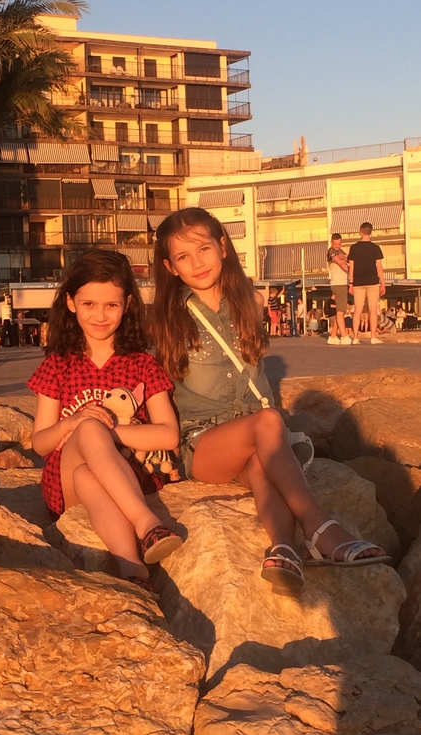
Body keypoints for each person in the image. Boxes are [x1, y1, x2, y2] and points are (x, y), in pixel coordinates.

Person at [151, 207, 389, 596]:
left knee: (262, 466)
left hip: (258, 438)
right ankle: (320, 526)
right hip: (203, 443)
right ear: (170, 266)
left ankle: (284, 548)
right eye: (183, 256)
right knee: (267, 421)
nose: (197, 262)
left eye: (204, 249)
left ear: (222, 247)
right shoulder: (166, 319)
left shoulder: (251, 301)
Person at [28, 249, 183, 598]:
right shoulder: (58, 365)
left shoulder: (142, 364)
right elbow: (40, 444)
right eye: (89, 304)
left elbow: (169, 435)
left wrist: (107, 433)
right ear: (71, 303)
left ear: (127, 304)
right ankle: (147, 523)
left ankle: (134, 571)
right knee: (86, 432)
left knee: (90, 472)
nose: (100, 315)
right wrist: (75, 423)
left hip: (127, 476)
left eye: (111, 305)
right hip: (65, 482)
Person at [348, 222, 385, 345]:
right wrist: (383, 283)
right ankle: (373, 337)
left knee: (357, 310)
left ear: (360, 232)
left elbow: (351, 267)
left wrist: (351, 283)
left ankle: (355, 338)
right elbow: (379, 267)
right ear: (371, 232)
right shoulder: (375, 248)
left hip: (358, 282)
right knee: (373, 310)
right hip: (373, 281)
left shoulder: (354, 248)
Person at [326, 233, 352, 345]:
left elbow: (348, 258)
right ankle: (344, 336)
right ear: (332, 242)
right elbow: (341, 263)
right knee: (341, 311)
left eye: (339, 244)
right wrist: (351, 270)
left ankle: (332, 336)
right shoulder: (331, 252)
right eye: (335, 244)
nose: (337, 246)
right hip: (338, 283)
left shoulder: (341, 251)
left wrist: (346, 258)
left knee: (340, 311)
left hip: (343, 283)